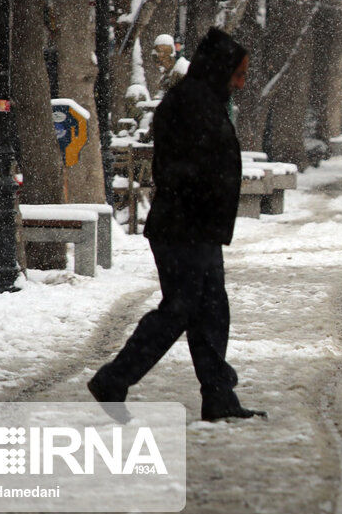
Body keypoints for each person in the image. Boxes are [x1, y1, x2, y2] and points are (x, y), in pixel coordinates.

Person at [88, 27, 265, 422]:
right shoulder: (191, 104)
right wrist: (205, 202)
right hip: (184, 228)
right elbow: (184, 168)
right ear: (220, 69)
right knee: (181, 309)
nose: (243, 81)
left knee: (211, 312)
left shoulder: (204, 100)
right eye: (239, 73)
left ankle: (218, 395)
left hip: (197, 227)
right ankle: (114, 378)